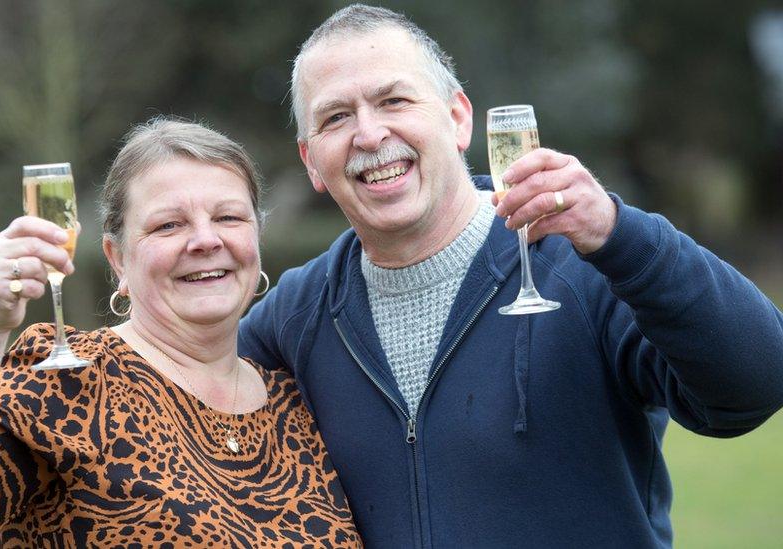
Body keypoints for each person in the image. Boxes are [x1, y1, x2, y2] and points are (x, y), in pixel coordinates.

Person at [238, 4, 783, 548]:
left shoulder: (584, 265)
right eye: (336, 117)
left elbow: (755, 385)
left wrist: (626, 239)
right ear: (311, 161)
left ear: (458, 119)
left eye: (394, 100)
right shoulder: (291, 319)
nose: (369, 133)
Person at [0, 117, 361, 547]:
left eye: (228, 217)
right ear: (118, 259)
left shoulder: (293, 397)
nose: (206, 240)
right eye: (169, 225)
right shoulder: (72, 380)